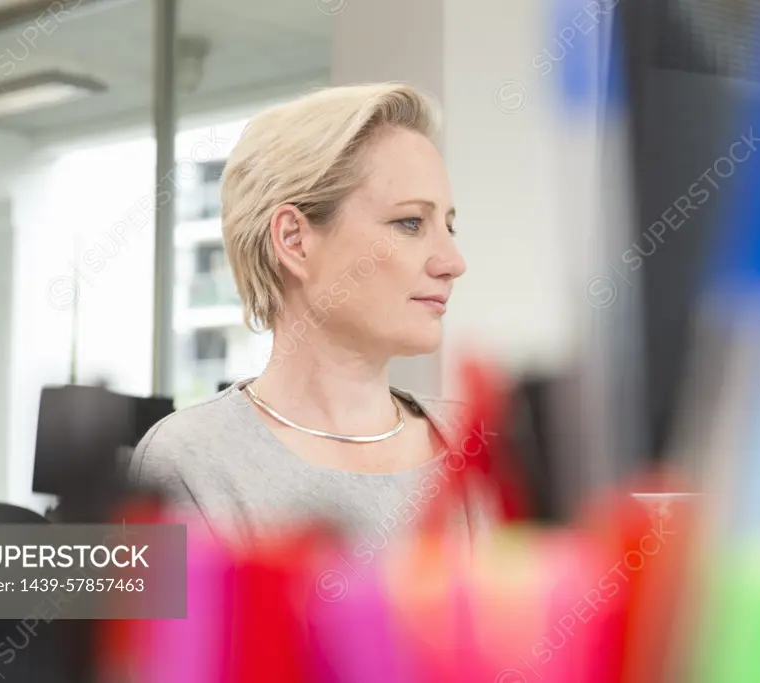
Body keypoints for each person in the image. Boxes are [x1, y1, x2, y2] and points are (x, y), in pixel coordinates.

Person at [130, 83, 492, 546]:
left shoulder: (478, 446)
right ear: (294, 240)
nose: (453, 261)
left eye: (450, 225)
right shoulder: (189, 461)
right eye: (410, 223)